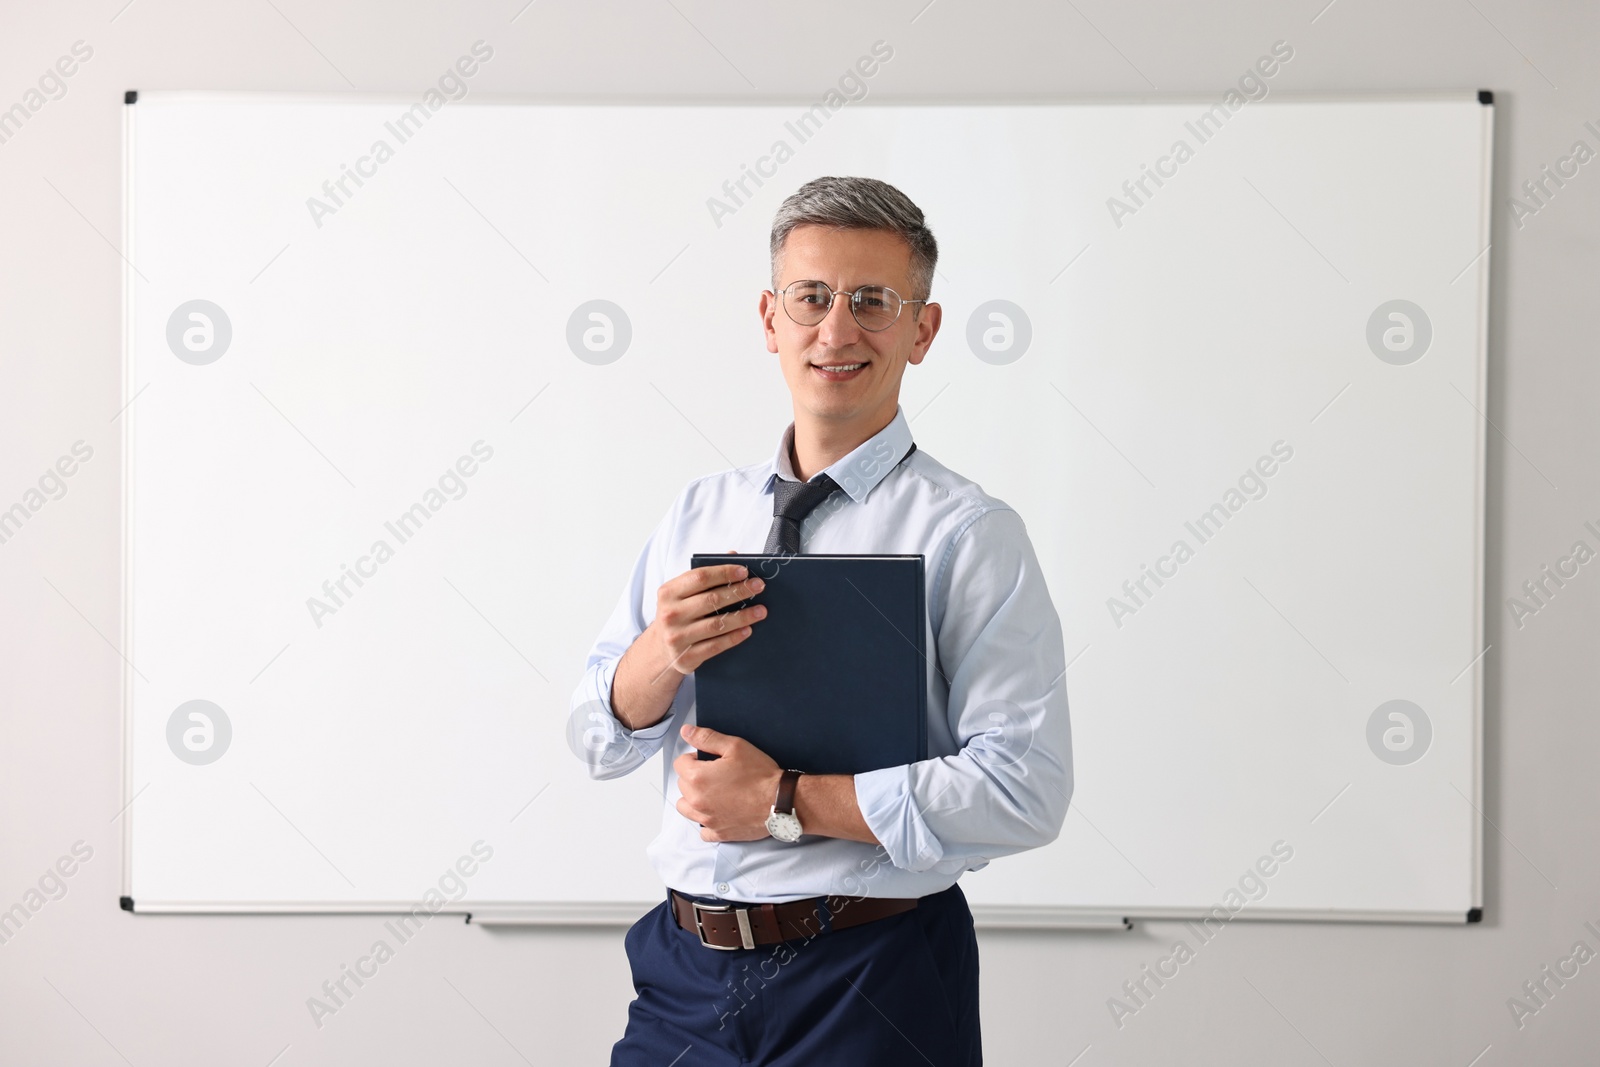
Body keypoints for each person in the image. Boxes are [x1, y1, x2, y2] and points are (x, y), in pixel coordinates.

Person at [566, 175, 1073, 1066]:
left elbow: (1023, 787)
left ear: (922, 329)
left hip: (872, 976)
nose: (836, 330)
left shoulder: (968, 535)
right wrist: (656, 656)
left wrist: (786, 801)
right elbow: (595, 737)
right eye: (811, 298)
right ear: (770, 318)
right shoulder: (698, 512)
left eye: (872, 301)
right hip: (684, 973)